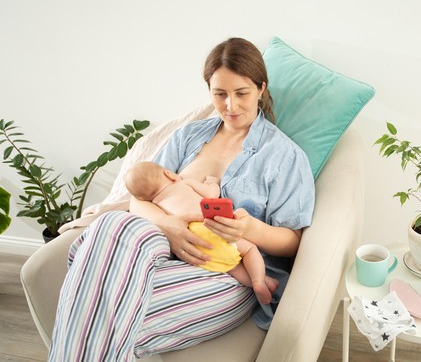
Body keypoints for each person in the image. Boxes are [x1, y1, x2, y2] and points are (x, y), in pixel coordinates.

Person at [49, 37, 315, 361]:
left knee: (96, 306)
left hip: (224, 269)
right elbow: (138, 199)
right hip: (158, 244)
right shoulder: (188, 135)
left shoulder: (285, 156)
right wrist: (169, 225)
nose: (230, 106)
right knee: (113, 223)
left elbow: (293, 242)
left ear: (261, 88)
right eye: (220, 94)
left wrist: (250, 230)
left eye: (241, 93)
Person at [124, 160, 278, 304]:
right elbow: (211, 195)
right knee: (249, 249)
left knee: (233, 268)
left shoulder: (156, 205)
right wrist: (213, 183)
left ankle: (258, 283)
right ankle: (259, 281)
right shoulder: (184, 183)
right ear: (168, 174)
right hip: (210, 227)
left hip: (192, 243)